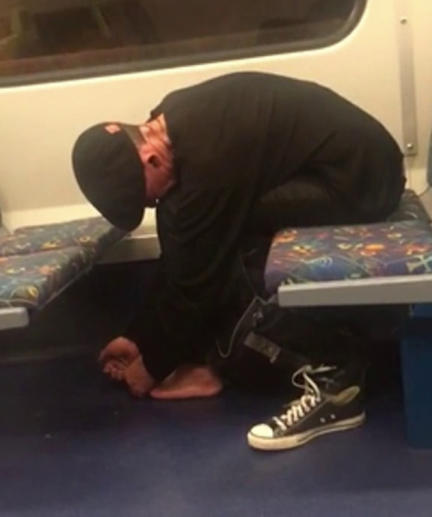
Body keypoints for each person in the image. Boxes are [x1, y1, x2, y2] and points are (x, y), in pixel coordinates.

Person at [72, 71, 405, 449]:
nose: (150, 205)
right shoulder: (175, 121)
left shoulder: (210, 156)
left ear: (150, 158)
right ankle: (212, 362)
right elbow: (184, 255)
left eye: (144, 198)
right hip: (338, 166)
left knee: (220, 237)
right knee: (198, 225)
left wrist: (152, 367)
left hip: (363, 181)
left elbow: (196, 279)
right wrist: (139, 336)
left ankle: (331, 371)